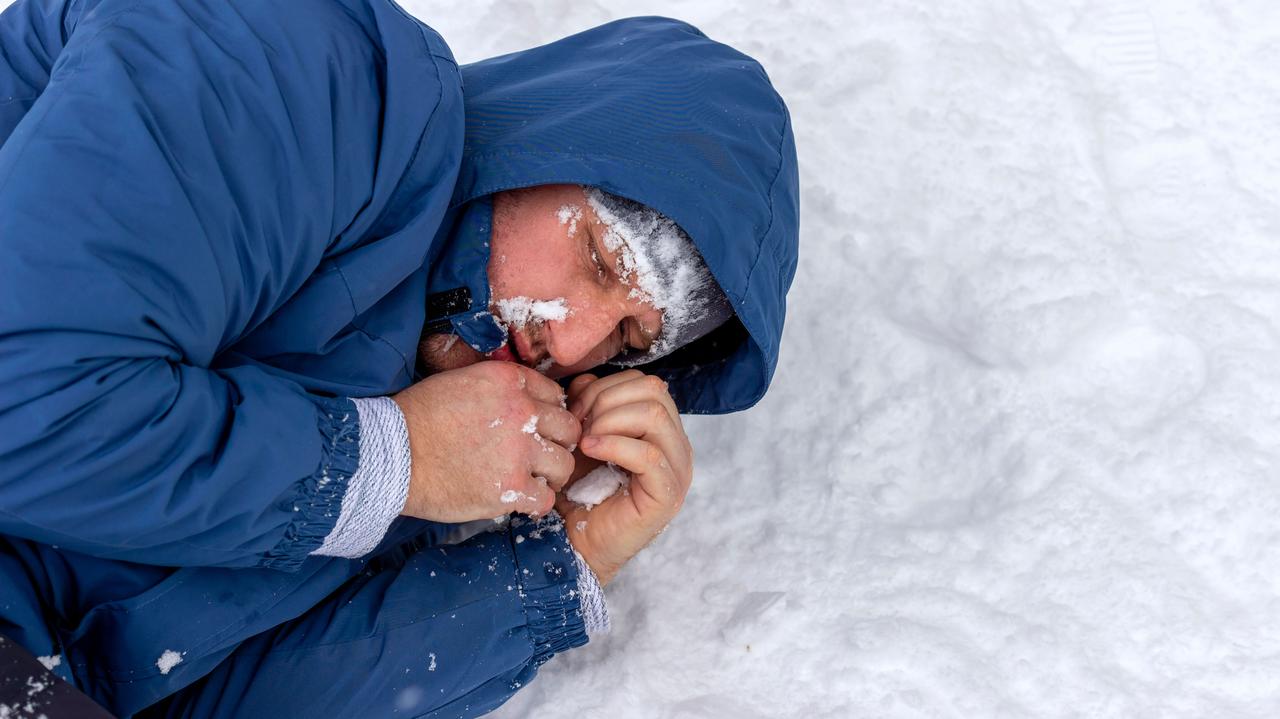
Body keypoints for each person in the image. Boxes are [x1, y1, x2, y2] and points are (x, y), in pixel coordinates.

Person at [0, 0, 798, 717]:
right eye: (598, 256)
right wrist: (385, 460)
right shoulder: (308, 71)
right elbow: (21, 397)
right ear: (547, 143)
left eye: (625, 341)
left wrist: (565, 559)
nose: (574, 340)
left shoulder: (429, 419)